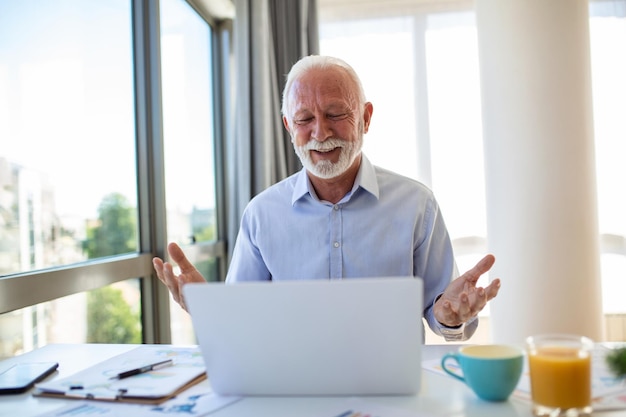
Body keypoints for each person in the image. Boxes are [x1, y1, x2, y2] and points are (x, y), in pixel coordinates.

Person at [153, 55, 501, 341]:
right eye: (305, 118)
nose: (321, 132)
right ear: (289, 127)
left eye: (336, 114)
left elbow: (447, 313)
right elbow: (242, 321)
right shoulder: (262, 213)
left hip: (392, 391)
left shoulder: (417, 205)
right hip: (292, 392)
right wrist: (209, 309)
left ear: (365, 118)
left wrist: (451, 317)